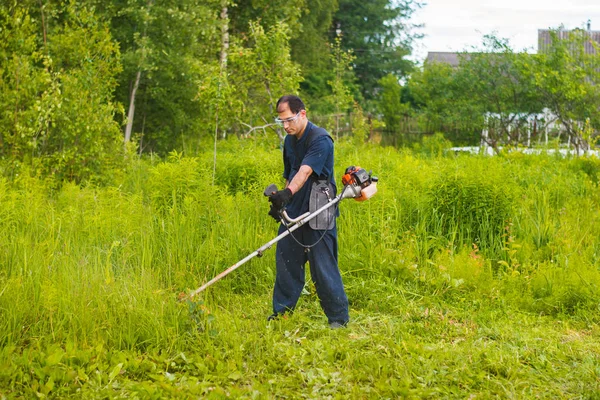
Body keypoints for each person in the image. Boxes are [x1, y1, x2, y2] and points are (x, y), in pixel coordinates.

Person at [267, 95, 349, 329]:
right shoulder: (289, 140)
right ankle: (282, 313)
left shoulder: (320, 139)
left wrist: (288, 193)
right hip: (294, 206)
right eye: (281, 121)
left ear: (302, 113)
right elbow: (290, 174)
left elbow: (304, 172)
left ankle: (338, 319)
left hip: (319, 207)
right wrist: (281, 202)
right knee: (286, 260)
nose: (286, 126)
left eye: (289, 120)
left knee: (323, 265)